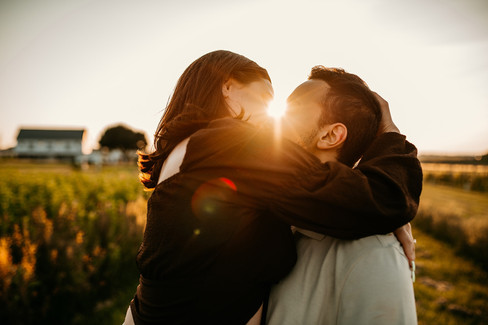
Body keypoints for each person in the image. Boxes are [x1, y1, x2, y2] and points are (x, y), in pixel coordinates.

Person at [123, 50, 422, 325]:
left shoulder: (200, 149)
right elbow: (382, 200)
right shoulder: (230, 143)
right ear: (228, 87)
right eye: (267, 97)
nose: (272, 116)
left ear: (332, 134)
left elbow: (363, 201)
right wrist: (390, 135)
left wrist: (383, 212)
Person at [266, 67, 418, 325]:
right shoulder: (264, 208)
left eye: (294, 108)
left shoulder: (374, 254)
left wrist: (390, 131)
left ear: (330, 135)